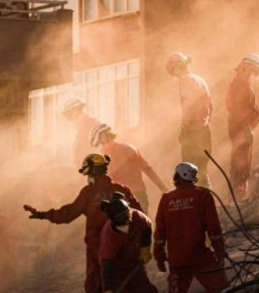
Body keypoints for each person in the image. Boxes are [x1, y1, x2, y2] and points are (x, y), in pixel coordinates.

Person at [23, 153, 141, 293]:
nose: (87, 178)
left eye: (88, 174)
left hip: (97, 249)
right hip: (122, 247)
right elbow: (139, 216)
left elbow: (68, 214)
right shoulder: (122, 189)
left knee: (95, 284)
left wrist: (43, 215)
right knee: (123, 283)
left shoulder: (89, 192)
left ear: (94, 172)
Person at [154, 162, 229, 293]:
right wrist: (220, 251)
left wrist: (159, 256)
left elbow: (160, 232)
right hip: (201, 256)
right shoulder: (203, 195)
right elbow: (213, 228)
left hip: (177, 260)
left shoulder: (166, 199)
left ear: (177, 177)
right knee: (223, 289)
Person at [90, 123, 168, 214]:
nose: (101, 147)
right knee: (142, 225)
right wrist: (163, 188)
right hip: (139, 195)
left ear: (103, 137)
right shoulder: (131, 148)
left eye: (99, 143)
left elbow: (109, 176)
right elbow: (148, 169)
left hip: (119, 198)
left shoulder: (107, 154)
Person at [166, 52, 214, 188]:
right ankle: (207, 197)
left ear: (176, 66)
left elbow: (189, 106)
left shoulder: (185, 81)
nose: (174, 75)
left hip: (193, 132)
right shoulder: (200, 80)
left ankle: (194, 202)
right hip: (205, 130)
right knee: (202, 170)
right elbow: (211, 105)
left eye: (173, 71)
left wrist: (185, 128)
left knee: (188, 171)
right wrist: (204, 122)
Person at [99, 192, 157, 293]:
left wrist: (145, 248)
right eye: (121, 217)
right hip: (117, 269)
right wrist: (108, 288)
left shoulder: (137, 217)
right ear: (113, 219)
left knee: (146, 289)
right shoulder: (109, 236)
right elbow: (107, 265)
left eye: (126, 214)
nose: (126, 220)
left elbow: (147, 228)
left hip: (134, 263)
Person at [226, 53, 259, 201]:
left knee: (239, 165)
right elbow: (240, 109)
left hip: (239, 128)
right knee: (241, 166)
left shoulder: (238, 83)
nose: (255, 75)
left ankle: (236, 198)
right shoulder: (241, 84)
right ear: (247, 67)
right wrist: (247, 128)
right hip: (242, 130)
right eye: (255, 71)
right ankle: (238, 199)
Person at [62, 96, 102, 167]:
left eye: (69, 116)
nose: (70, 121)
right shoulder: (81, 129)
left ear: (76, 111)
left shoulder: (91, 125)